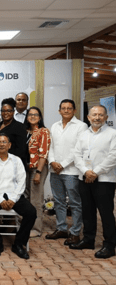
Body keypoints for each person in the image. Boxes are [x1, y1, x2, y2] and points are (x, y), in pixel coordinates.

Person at [71, 106, 116, 259]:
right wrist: (86, 172)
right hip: (85, 178)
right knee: (87, 211)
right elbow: (76, 155)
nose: (97, 117)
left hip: (104, 180)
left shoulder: (113, 134)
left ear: (106, 117)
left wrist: (95, 172)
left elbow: (113, 157)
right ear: (88, 117)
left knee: (106, 213)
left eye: (100, 115)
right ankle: (88, 240)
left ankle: (110, 245)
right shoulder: (83, 135)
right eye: (94, 114)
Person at [0, 134, 36, 259]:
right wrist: (0, 199)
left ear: (9, 145)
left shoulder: (16, 160)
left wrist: (13, 199)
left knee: (31, 212)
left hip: (14, 194)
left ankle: (18, 244)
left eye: (4, 142)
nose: (1, 144)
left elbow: (22, 182)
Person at [46, 99, 87, 245]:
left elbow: (78, 149)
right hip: (55, 171)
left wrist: (62, 164)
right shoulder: (55, 126)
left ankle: (75, 233)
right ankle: (62, 228)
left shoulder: (81, 126)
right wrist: (52, 161)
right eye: (63, 108)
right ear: (59, 110)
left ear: (74, 110)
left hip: (72, 171)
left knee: (75, 203)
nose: (66, 110)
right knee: (59, 201)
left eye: (69, 108)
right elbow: (50, 146)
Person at [23, 107, 51, 238]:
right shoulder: (25, 131)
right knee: (26, 198)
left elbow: (43, 153)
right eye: (30, 114)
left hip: (37, 168)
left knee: (36, 199)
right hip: (26, 168)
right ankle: (26, 226)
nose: (33, 116)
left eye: (36, 115)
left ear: (40, 118)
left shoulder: (43, 131)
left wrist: (38, 172)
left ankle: (36, 228)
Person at [0, 98, 27, 165]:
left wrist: (7, 161)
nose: (6, 113)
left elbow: (21, 150)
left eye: (9, 111)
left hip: (13, 164)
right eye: (3, 111)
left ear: (13, 112)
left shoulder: (20, 127)